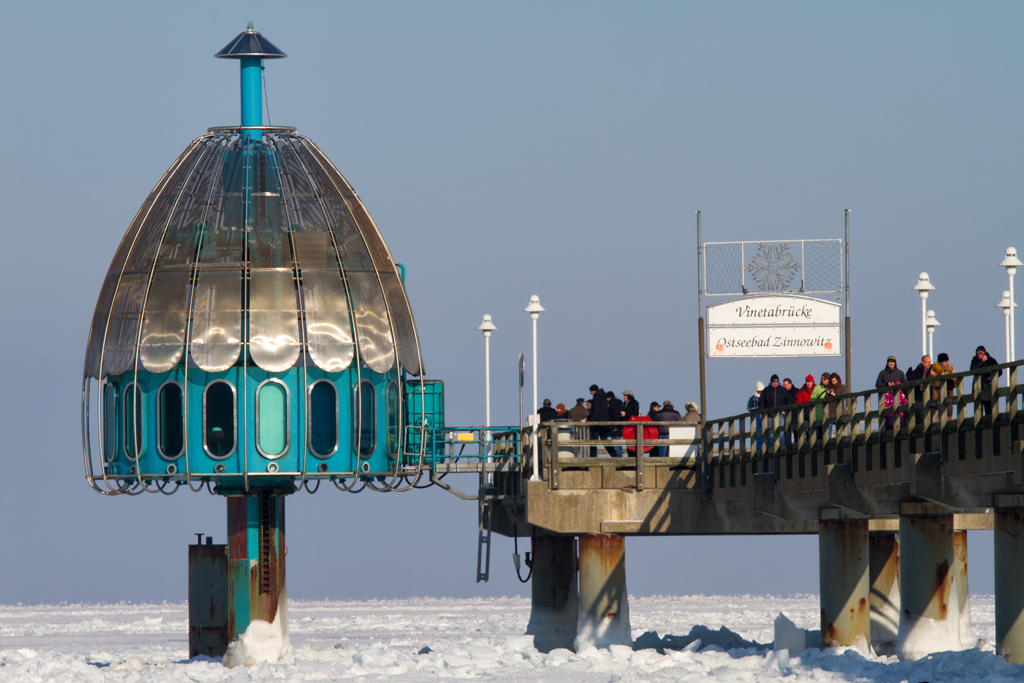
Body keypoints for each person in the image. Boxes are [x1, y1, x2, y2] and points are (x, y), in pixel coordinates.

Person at [876, 356, 908, 430]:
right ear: (887, 363)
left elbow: (906, 384)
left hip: (898, 399)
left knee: (899, 415)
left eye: (892, 362)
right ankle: (886, 432)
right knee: (886, 417)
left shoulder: (900, 373)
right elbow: (878, 384)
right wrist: (887, 384)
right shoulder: (882, 373)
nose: (891, 363)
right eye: (889, 362)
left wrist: (898, 385)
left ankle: (899, 430)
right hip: (886, 400)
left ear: (895, 363)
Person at [969, 346, 1002, 416]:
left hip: (988, 387)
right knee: (978, 412)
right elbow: (972, 370)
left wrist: (989, 378)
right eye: (977, 353)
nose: (978, 355)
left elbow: (999, 372)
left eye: (980, 353)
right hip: (978, 388)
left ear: (984, 353)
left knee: (989, 411)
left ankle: (990, 425)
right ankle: (979, 425)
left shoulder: (991, 360)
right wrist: (981, 362)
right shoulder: (974, 360)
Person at [588, 384, 620, 457]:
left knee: (593, 442)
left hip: (596, 424)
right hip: (604, 423)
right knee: (605, 441)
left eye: (591, 391)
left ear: (594, 391)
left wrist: (590, 420)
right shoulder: (604, 398)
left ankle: (592, 459)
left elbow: (595, 411)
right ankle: (615, 456)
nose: (591, 393)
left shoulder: (596, 398)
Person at [758, 375, 787, 450]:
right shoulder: (766, 391)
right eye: (774, 381)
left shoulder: (783, 390)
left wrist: (785, 410)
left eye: (776, 381)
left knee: (781, 432)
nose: (775, 383)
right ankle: (771, 448)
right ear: (771, 382)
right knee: (770, 433)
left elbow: (789, 400)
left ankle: (782, 448)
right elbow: (761, 402)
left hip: (780, 414)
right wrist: (761, 412)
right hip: (770, 415)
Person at [906, 355, 934, 426]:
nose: (929, 364)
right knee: (920, 415)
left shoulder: (933, 371)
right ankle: (920, 431)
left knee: (932, 414)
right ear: (922, 362)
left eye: (930, 362)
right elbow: (912, 384)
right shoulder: (917, 372)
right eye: (927, 362)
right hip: (919, 396)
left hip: (931, 395)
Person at [929, 353, 955, 419]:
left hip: (949, 392)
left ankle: (948, 424)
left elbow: (955, 379)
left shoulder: (950, 368)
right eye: (945, 361)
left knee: (949, 409)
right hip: (938, 393)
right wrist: (940, 383)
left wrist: (952, 383)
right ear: (941, 361)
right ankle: (940, 424)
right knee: (939, 410)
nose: (947, 362)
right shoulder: (935, 368)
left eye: (947, 361)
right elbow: (931, 380)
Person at [747, 381, 764, 451]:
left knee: (767, 433)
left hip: (764, 417)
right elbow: (748, 407)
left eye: (761, 391)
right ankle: (758, 450)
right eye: (759, 391)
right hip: (756, 418)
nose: (760, 392)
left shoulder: (765, 397)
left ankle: (767, 449)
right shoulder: (753, 398)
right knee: (758, 434)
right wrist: (756, 408)